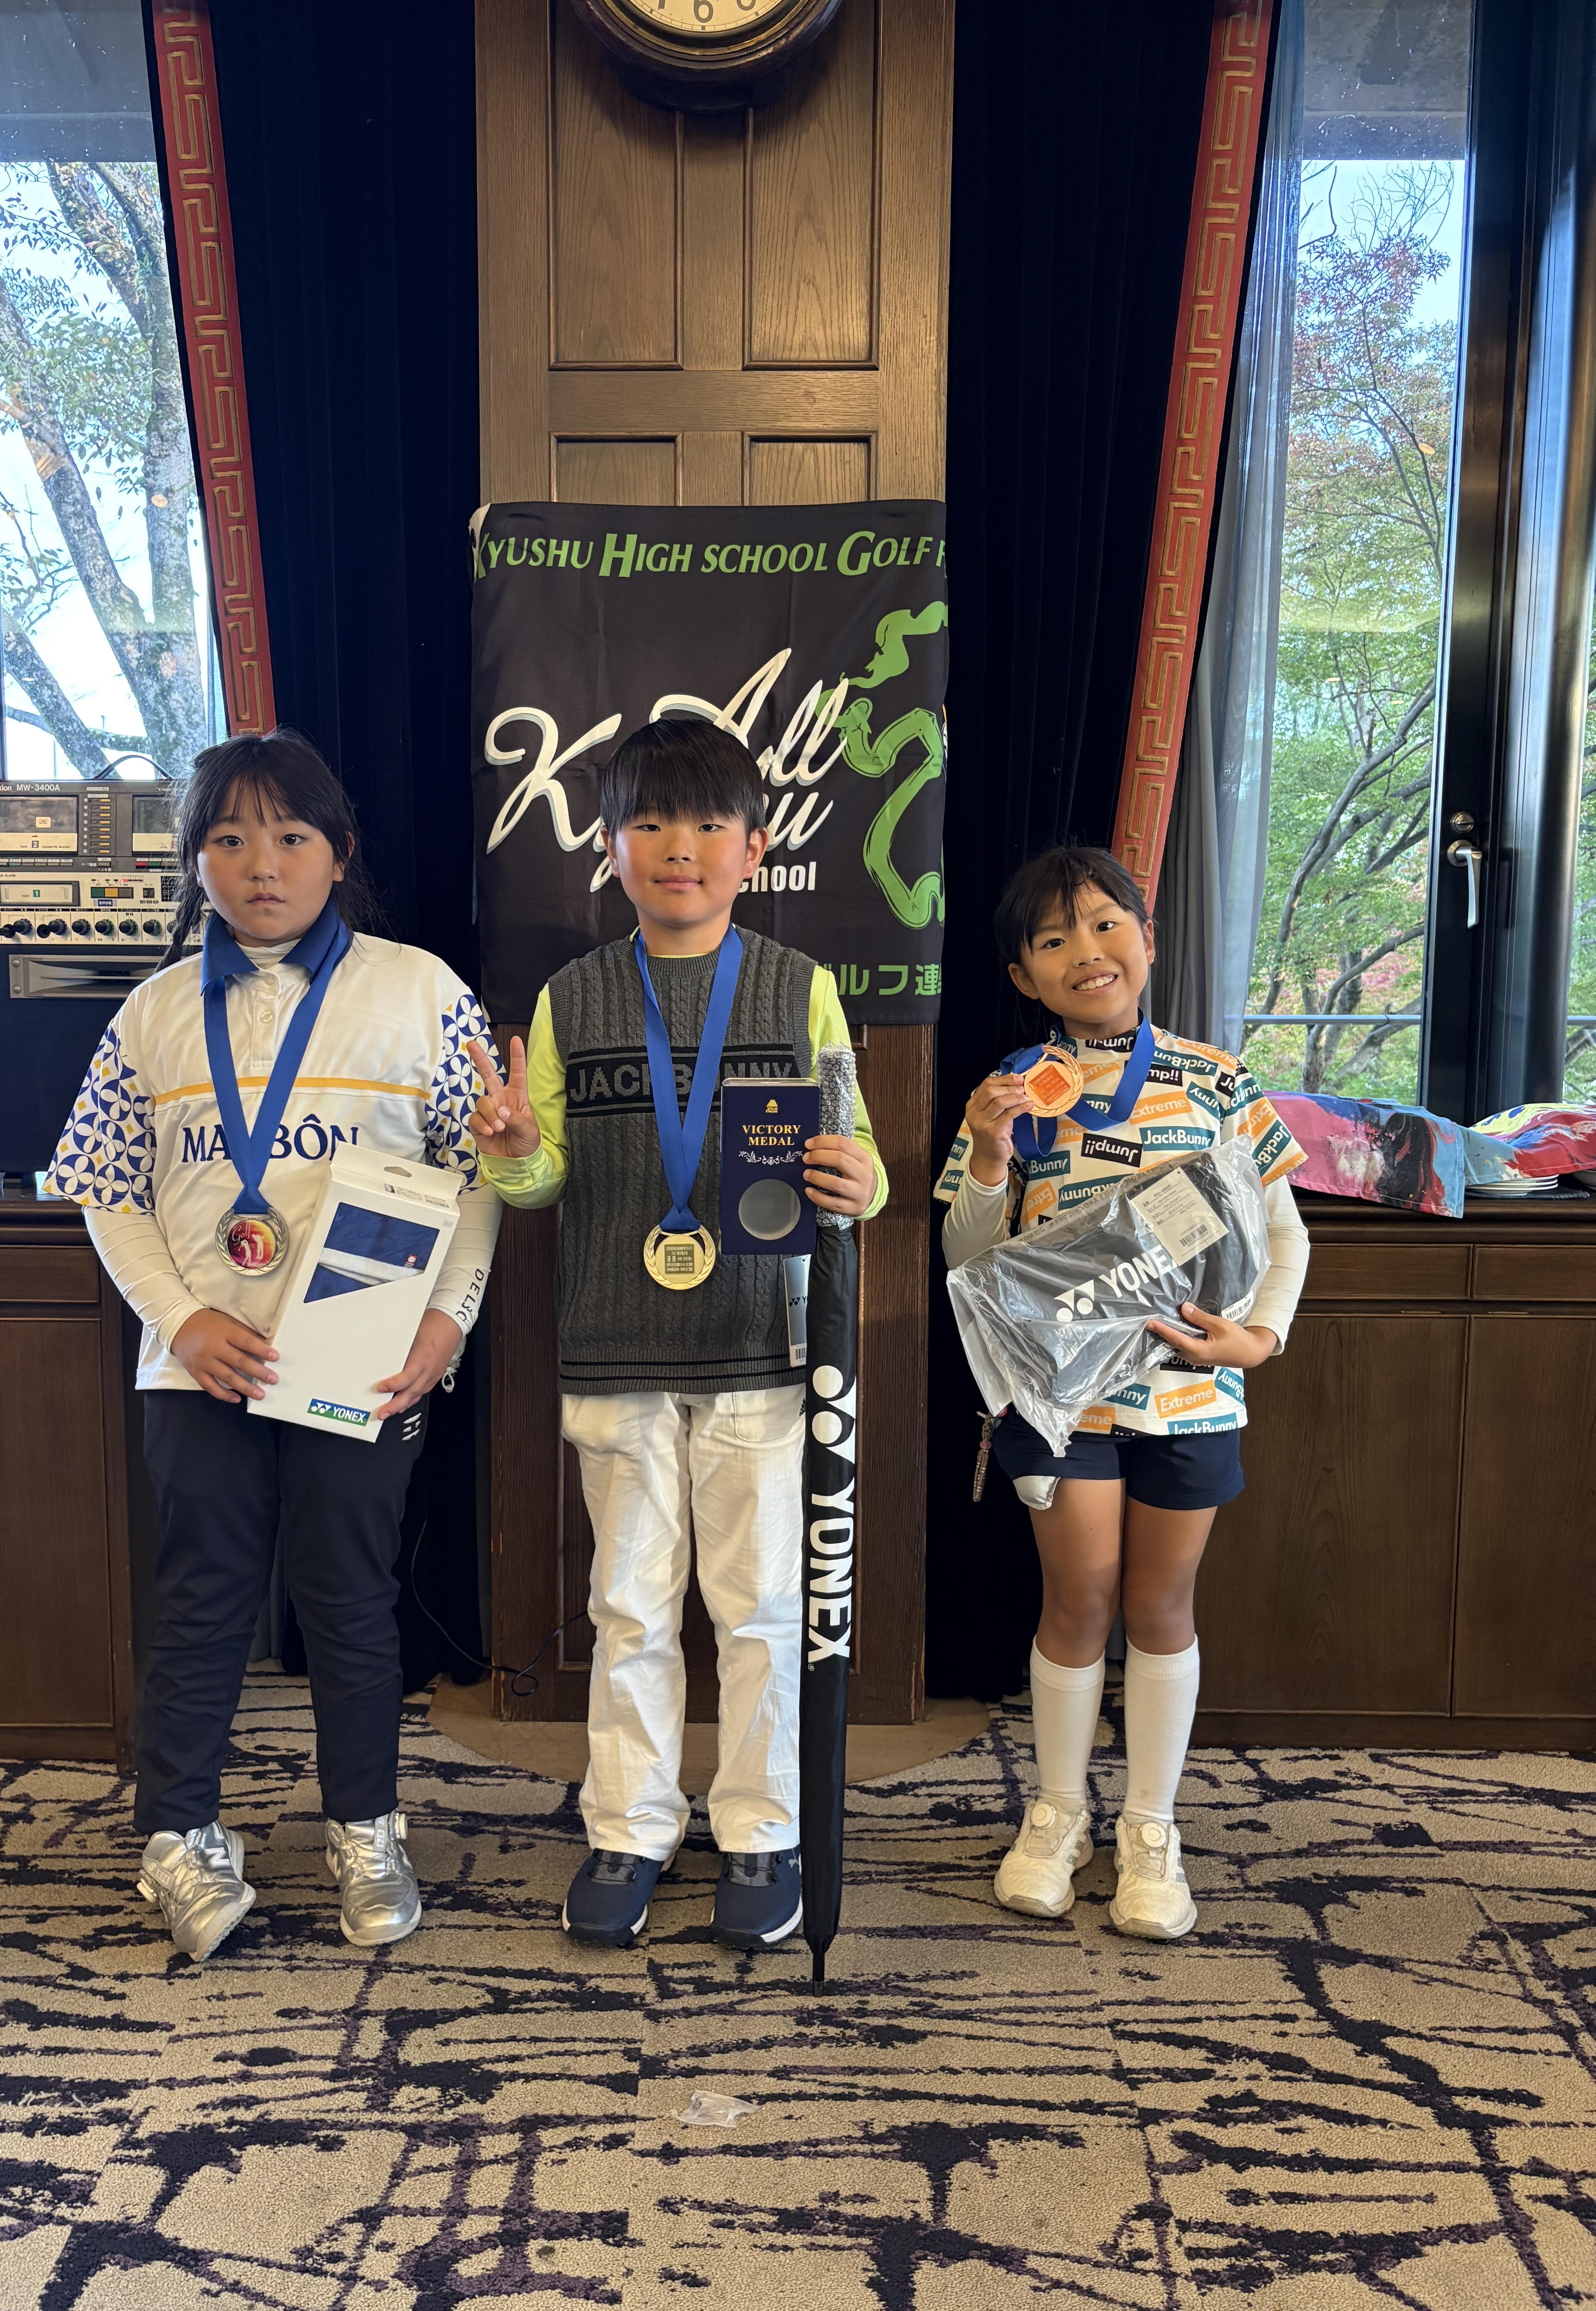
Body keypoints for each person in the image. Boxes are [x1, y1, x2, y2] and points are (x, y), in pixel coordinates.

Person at [47, 731, 500, 1963]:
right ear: (195, 862)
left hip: (361, 1355)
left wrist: (447, 1320)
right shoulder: (150, 1016)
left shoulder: (422, 991)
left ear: (338, 854)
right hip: (200, 1361)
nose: (262, 865)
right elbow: (106, 1193)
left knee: (350, 1598)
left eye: (291, 837)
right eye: (231, 839)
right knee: (201, 1601)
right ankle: (177, 1834)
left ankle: (365, 1826)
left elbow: (477, 1174)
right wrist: (180, 1318)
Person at [467, 716, 887, 1952]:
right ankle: (630, 1828)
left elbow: (856, 1154)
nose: (678, 847)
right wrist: (512, 1150)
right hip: (615, 1352)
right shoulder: (570, 996)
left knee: (758, 1610)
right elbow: (539, 1184)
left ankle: (762, 1831)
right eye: (647, 822)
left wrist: (861, 1179)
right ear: (610, 848)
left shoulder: (801, 985)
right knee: (631, 1610)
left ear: (755, 847)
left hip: (762, 1350)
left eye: (708, 823)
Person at [940, 844, 1308, 1941]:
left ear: (1146, 939)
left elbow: (1283, 1233)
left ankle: (1150, 1827)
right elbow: (969, 1260)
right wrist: (986, 1153)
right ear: (1024, 974)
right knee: (1078, 1598)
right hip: (1059, 1403)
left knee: (1159, 1604)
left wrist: (1258, 1341)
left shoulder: (1220, 1079)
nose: (1086, 953)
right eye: (1053, 940)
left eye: (1105, 925)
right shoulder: (1013, 1090)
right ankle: (1057, 1814)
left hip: (1189, 1392)